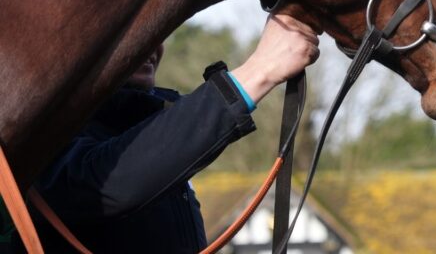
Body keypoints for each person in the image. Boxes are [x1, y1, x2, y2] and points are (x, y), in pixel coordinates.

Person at [14, 13, 320, 254]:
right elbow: (105, 182)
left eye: (157, 28)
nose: (152, 42)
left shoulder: (144, 120)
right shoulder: (38, 131)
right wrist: (259, 70)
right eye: (130, 29)